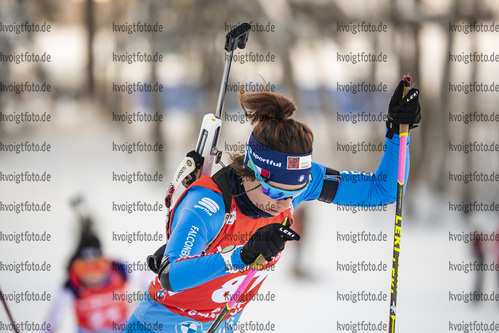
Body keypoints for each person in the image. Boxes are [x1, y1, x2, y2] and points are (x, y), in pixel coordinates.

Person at [127, 79, 421, 332]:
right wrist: (242, 256)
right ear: (251, 171)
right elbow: (171, 276)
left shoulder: (297, 184)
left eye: (295, 193)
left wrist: (397, 133)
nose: (284, 205)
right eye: (275, 192)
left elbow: (381, 189)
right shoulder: (208, 204)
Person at [43, 227, 130, 333]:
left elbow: (150, 281)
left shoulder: (120, 269)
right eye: (85, 269)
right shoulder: (73, 285)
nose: (92, 274)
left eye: (96, 267)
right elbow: (55, 315)